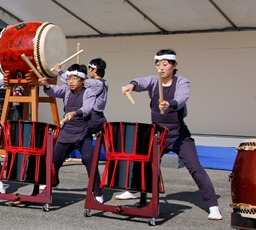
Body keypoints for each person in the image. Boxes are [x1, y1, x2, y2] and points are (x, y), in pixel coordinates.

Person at [121, 49, 222, 220]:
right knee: (145, 164)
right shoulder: (154, 81)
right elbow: (141, 81)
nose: (161, 68)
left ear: (174, 66)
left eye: (165, 64)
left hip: (178, 134)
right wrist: (132, 85)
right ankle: (135, 193)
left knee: (195, 168)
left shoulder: (182, 82)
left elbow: (182, 97)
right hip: (158, 133)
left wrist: (169, 104)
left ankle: (212, 205)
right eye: (158, 64)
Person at [39, 64, 104, 203]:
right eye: (68, 78)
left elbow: (87, 109)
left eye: (74, 79)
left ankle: (97, 191)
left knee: (89, 160)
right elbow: (53, 91)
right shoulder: (66, 90)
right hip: (67, 131)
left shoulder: (89, 92)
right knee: (55, 161)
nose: (70, 82)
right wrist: (46, 86)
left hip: (82, 132)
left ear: (83, 80)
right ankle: (53, 182)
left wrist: (75, 113)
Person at [54, 57, 109, 136]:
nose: (89, 71)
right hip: (100, 117)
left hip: (93, 117)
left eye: (90, 69)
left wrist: (59, 71)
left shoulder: (95, 83)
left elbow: (72, 81)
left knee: (82, 138)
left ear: (95, 70)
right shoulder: (105, 82)